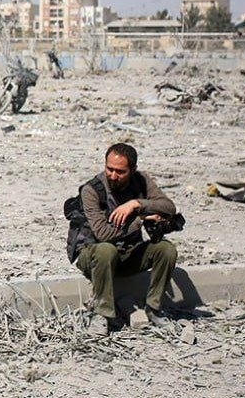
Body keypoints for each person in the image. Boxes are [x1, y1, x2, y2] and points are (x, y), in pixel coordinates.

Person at [72, 143, 180, 335]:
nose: (113, 175)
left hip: (127, 253)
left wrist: (136, 204)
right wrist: (140, 220)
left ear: (132, 170)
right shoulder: (91, 190)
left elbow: (168, 207)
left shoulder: (141, 180)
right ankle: (101, 314)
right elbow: (102, 234)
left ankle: (154, 309)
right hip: (94, 255)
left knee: (166, 249)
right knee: (107, 249)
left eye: (120, 172)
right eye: (109, 169)